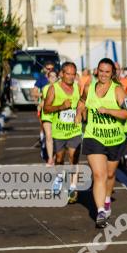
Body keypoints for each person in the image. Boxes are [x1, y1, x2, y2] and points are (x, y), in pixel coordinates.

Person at [76, 58, 127, 228]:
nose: (104, 75)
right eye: (101, 71)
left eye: (107, 72)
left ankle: (107, 199)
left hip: (115, 139)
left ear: (112, 73)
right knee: (99, 175)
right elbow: (82, 100)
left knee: (109, 175)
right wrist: (79, 113)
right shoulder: (88, 87)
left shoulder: (118, 90)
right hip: (94, 136)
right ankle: (100, 211)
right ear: (96, 71)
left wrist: (108, 110)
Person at [42, 62, 83, 204]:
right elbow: (46, 108)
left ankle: (73, 187)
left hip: (74, 130)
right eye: (68, 74)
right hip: (59, 131)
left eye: (73, 74)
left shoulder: (78, 88)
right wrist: (61, 106)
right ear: (61, 74)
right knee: (60, 159)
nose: (71, 77)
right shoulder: (54, 88)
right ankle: (59, 178)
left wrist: (79, 113)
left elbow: (82, 103)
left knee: (74, 157)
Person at [38, 69, 58, 165]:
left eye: (54, 76)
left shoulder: (60, 88)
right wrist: (40, 105)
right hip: (47, 114)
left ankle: (54, 155)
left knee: (56, 137)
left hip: (56, 114)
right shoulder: (45, 88)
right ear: (48, 78)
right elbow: (44, 100)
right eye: (51, 77)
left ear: (57, 78)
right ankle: (50, 158)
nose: (53, 78)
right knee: (49, 136)